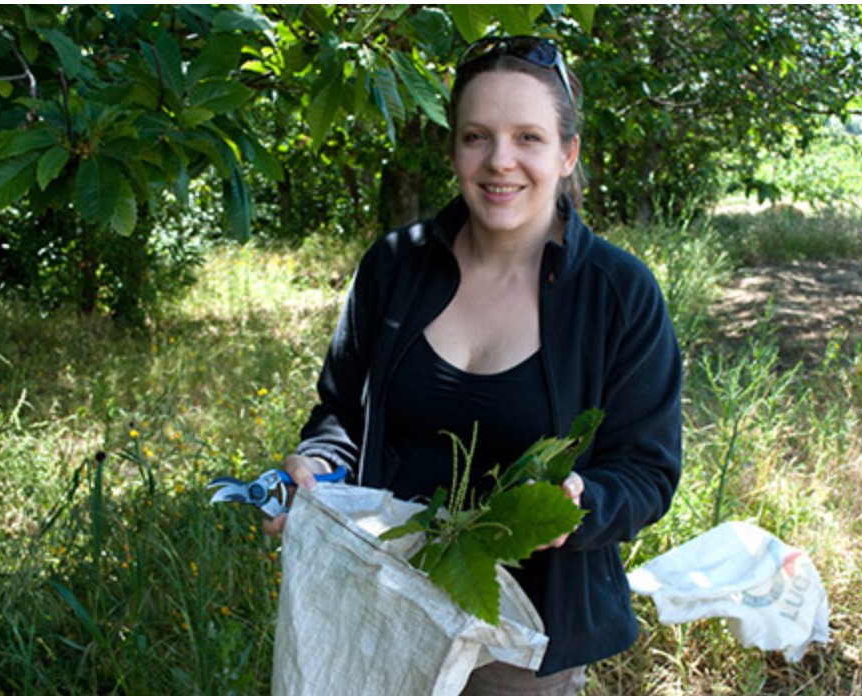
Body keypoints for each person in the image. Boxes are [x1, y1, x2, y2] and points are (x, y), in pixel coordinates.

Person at [262, 35, 682, 695]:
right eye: (477, 136)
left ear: (568, 154)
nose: (500, 161)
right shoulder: (395, 267)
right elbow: (342, 413)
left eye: (528, 137)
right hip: (381, 609)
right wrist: (315, 468)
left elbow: (647, 470)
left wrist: (580, 502)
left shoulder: (618, 295)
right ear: (453, 148)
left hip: (521, 644)